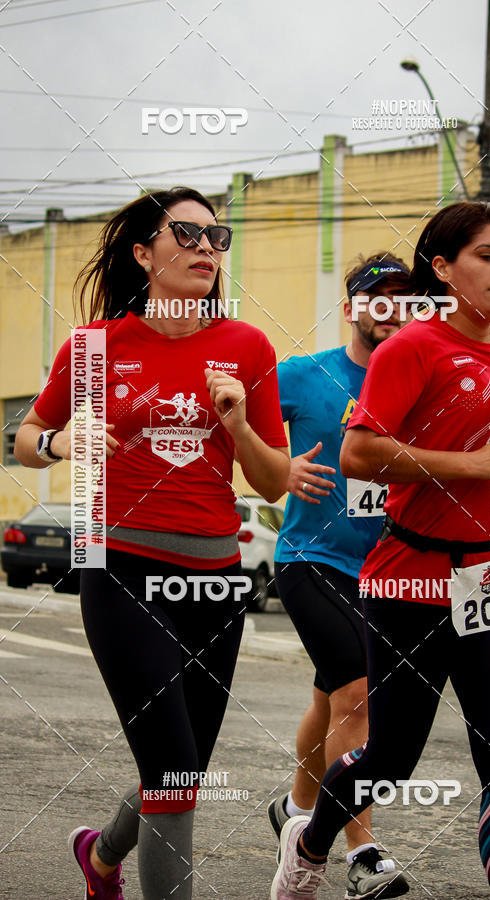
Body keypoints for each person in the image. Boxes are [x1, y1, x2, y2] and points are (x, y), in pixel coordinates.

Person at [270, 201, 490, 900]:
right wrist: (479, 468)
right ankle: (310, 841)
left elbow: (489, 463)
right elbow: (359, 451)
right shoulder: (413, 347)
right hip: (409, 580)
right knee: (389, 758)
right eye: (486, 255)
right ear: (441, 269)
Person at [14, 187, 289, 900]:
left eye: (216, 237)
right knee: (172, 773)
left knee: (182, 770)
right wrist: (59, 440)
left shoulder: (247, 347)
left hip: (217, 580)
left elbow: (274, 481)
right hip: (120, 567)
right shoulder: (95, 347)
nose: (207, 248)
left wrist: (238, 426)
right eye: (187, 234)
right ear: (144, 253)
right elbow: (23, 441)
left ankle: (100, 857)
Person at [269, 254, 412, 899]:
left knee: (332, 697)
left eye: (406, 299)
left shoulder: (416, 381)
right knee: (359, 697)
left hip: (383, 570)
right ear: (352, 307)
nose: (392, 309)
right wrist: (283, 464)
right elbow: (234, 430)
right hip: (310, 558)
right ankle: (363, 852)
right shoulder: (305, 374)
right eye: (377, 297)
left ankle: (296, 809)